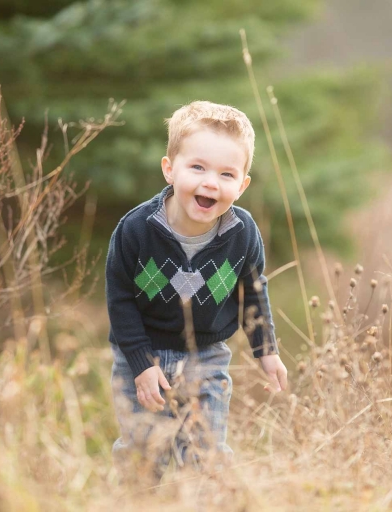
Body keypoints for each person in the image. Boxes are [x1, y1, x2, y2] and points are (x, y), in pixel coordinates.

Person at [105, 100, 288, 484]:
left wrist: (266, 351)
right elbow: (119, 298)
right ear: (170, 170)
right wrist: (140, 363)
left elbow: (252, 294)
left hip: (207, 357)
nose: (210, 183)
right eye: (198, 168)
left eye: (226, 174)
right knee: (143, 457)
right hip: (142, 354)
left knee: (206, 456)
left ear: (242, 184)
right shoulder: (137, 229)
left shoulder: (242, 233)